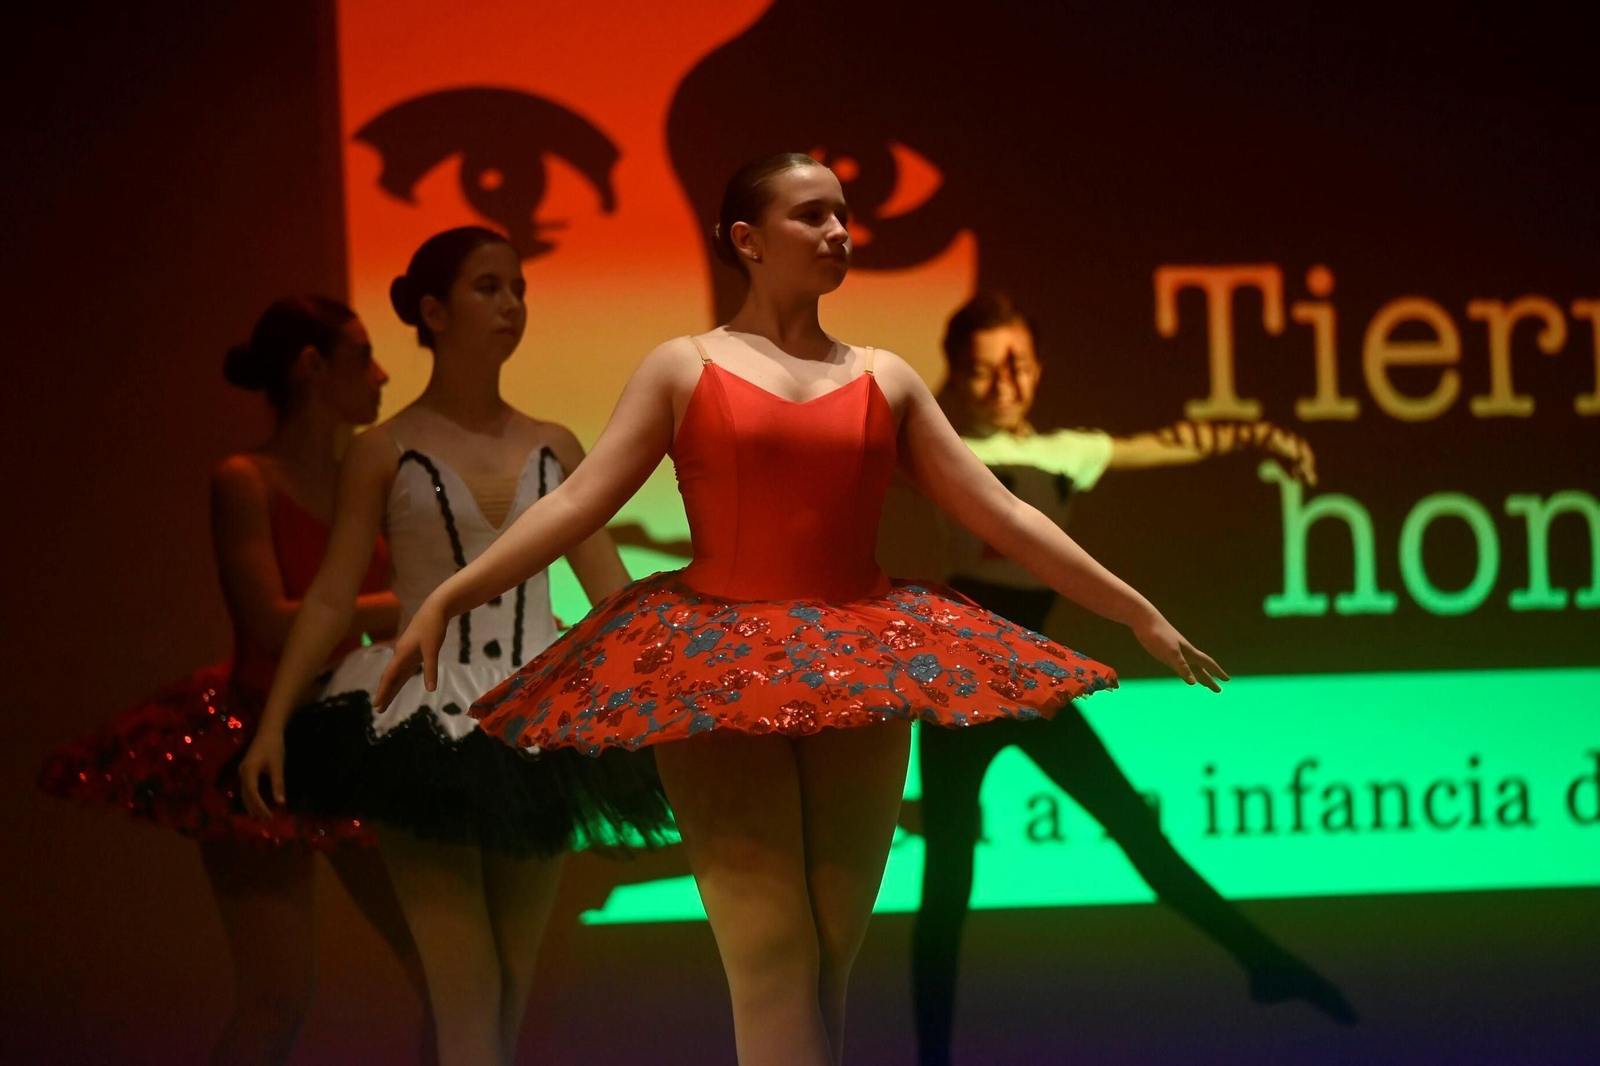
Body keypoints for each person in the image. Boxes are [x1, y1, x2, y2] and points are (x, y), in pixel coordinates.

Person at [374, 154, 1227, 1066]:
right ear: (746, 241)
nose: (837, 233)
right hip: (715, 667)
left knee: (828, 958)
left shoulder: (886, 378)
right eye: (811, 216)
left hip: (859, 660)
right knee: (771, 957)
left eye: (843, 216)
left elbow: (1004, 513)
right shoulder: (681, 367)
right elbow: (580, 503)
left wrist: (1135, 611)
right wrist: (453, 596)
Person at [236, 228, 672, 1066]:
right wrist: (273, 725)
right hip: (418, 715)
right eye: (487, 288)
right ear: (431, 311)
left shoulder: (557, 445)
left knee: (510, 980)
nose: (511, 305)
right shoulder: (382, 449)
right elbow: (330, 597)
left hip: (537, 716)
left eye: (517, 288)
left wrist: (685, 687)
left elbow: (616, 598)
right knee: (465, 983)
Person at [892, 291, 1353, 1066]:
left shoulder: (1070, 452)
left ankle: (1265, 964)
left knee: (1134, 828)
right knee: (947, 884)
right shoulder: (936, 450)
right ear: (958, 378)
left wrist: (1266, 434)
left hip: (1031, 686)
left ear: (1037, 369)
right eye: (983, 370)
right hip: (961, 692)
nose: (1004, 383)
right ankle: (932, 1058)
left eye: (1018, 365)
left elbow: (1174, 441)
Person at [40, 296, 432, 1066]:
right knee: (277, 997)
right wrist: (421, 600)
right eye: (362, 355)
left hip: (347, 737)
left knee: (447, 972)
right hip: (260, 735)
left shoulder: (371, 483)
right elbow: (275, 622)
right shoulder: (246, 479)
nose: (382, 374)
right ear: (312, 367)